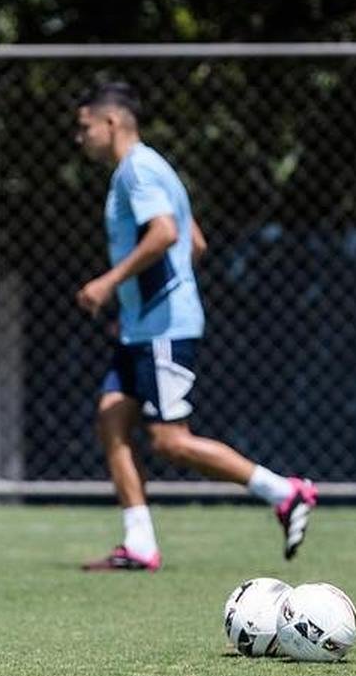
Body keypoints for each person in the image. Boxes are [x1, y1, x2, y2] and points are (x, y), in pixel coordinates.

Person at [73, 82, 316, 572]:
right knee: (111, 417)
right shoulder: (152, 168)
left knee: (170, 441)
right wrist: (140, 301)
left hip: (162, 328)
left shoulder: (138, 170)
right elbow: (195, 243)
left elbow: (166, 234)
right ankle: (139, 543)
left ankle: (284, 492)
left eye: (85, 128)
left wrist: (109, 283)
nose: (80, 139)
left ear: (112, 122)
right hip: (147, 323)